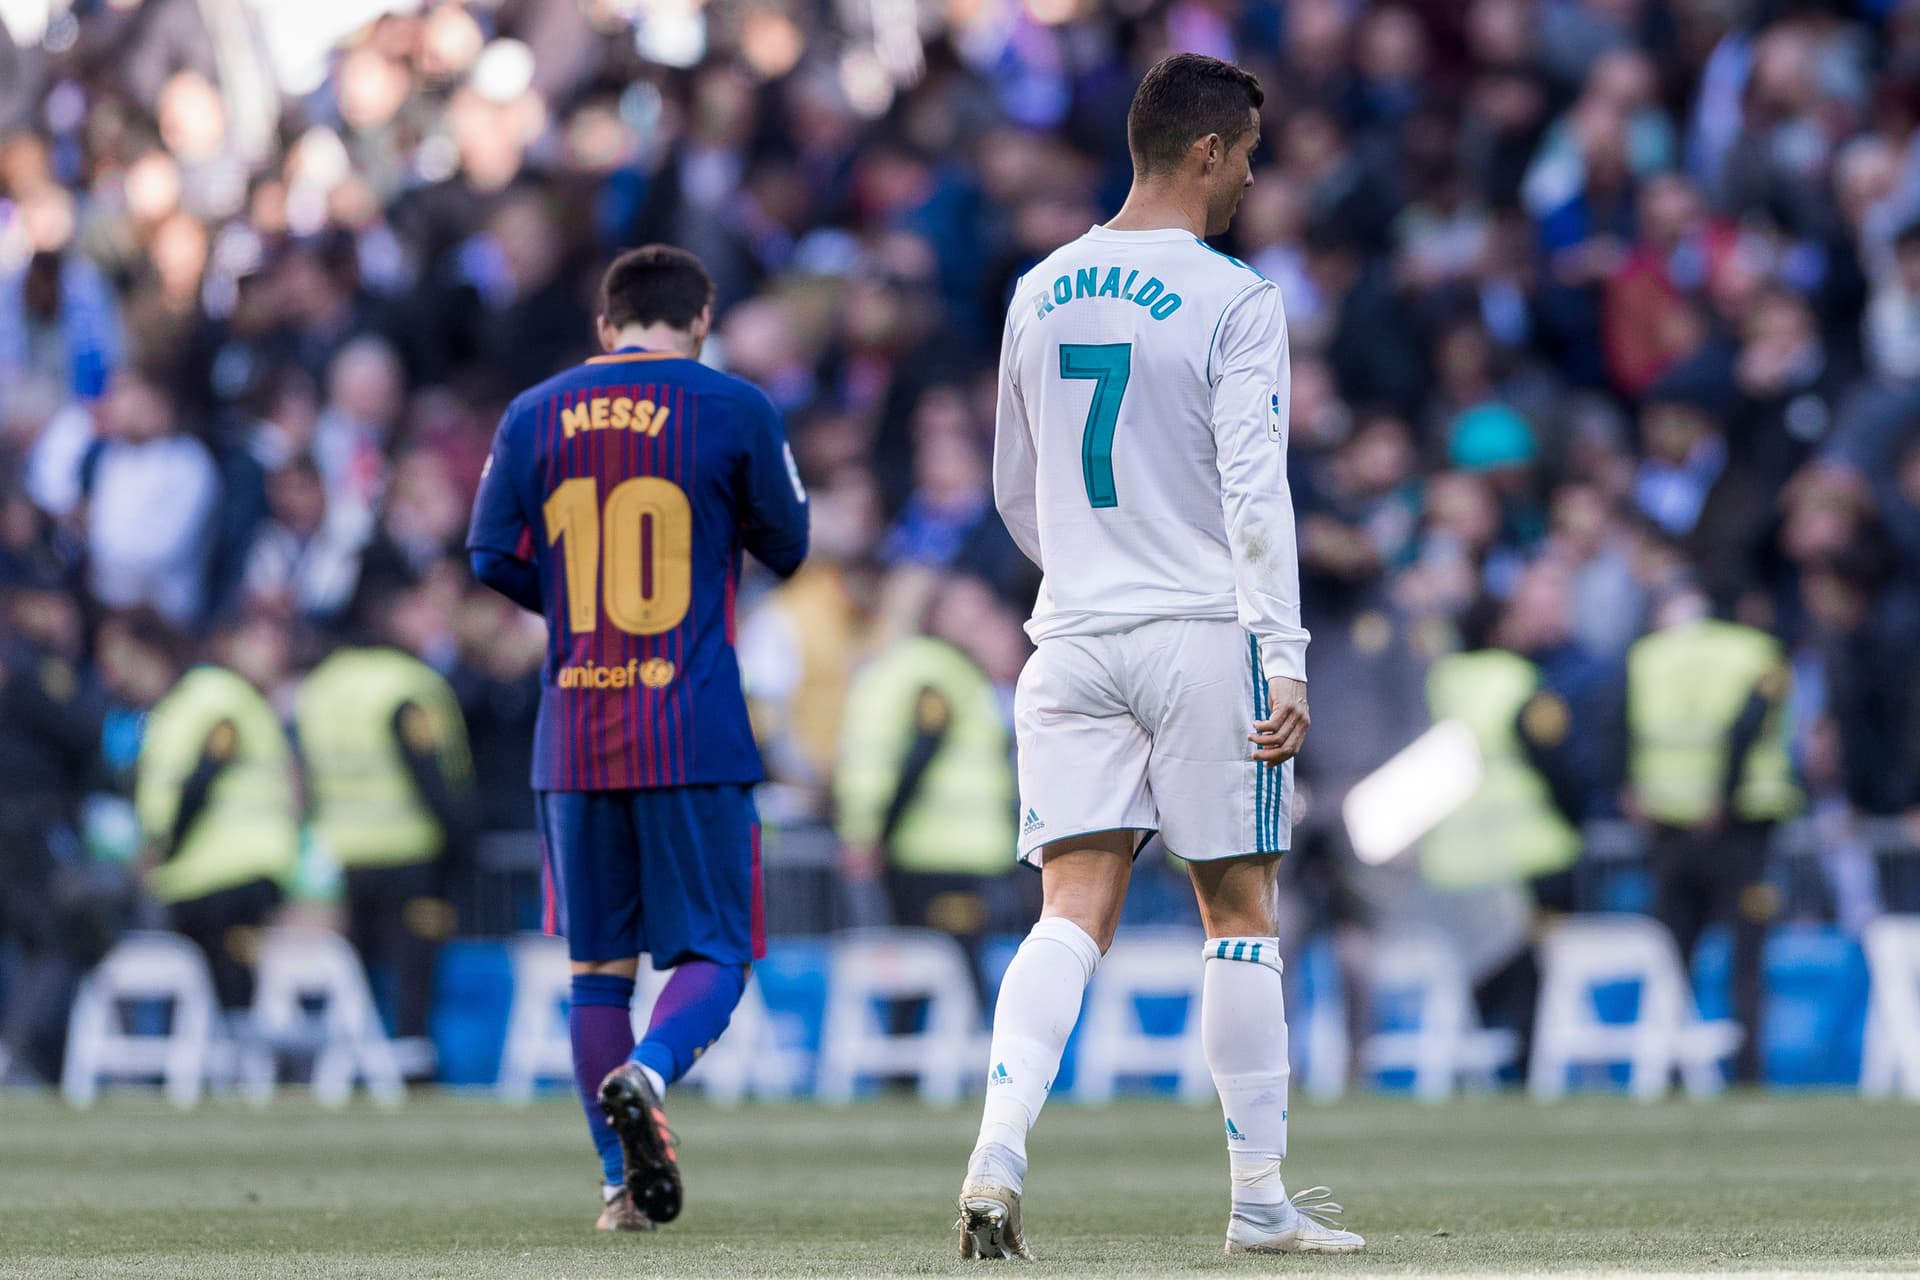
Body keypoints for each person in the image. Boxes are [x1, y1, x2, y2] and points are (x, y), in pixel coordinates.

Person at [955, 53, 1362, 1260]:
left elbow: (1013, 491)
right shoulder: (1237, 297)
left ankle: (997, 1148)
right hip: (1198, 630)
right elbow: (1257, 494)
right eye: (1243, 155)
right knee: (1238, 907)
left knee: (1070, 909)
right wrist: (1281, 654)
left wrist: (1088, 566)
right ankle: (1257, 1200)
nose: (1248, 177)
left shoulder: (1040, 287)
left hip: (1070, 634)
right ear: (1202, 151)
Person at [467, 244, 808, 1232]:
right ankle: (651, 1071)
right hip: (689, 721)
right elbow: (790, 543)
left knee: (595, 971)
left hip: (572, 731)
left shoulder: (533, 412)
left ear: (605, 327)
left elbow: (490, 552)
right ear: (701, 318)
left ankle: (621, 1185)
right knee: (716, 952)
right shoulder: (733, 405)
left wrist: (576, 609)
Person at [1624, 583, 1802, 1085]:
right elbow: (1748, 726)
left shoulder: (1647, 656)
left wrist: (1629, 788)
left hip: (1670, 826)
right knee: (1747, 954)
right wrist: (1722, 794)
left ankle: (1673, 1067)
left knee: (1674, 951)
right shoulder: (1759, 653)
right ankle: (1748, 1069)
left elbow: (1616, 726)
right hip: (1742, 828)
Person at [294, 584, 474, 1072]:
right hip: (409, 853)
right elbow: (431, 776)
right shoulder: (405, 685)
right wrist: (462, 842)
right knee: (414, 976)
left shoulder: (322, 686)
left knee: (356, 975)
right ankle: (414, 1068)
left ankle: (354, 1071)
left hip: (343, 855)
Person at [132, 611, 301, 1011]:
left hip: (196, 874)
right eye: (261, 638)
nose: (275, 651)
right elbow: (204, 775)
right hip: (229, 873)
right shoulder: (225, 696)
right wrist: (169, 845)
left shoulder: (188, 699)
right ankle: (242, 1072)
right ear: (229, 644)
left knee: (205, 1000)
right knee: (235, 997)